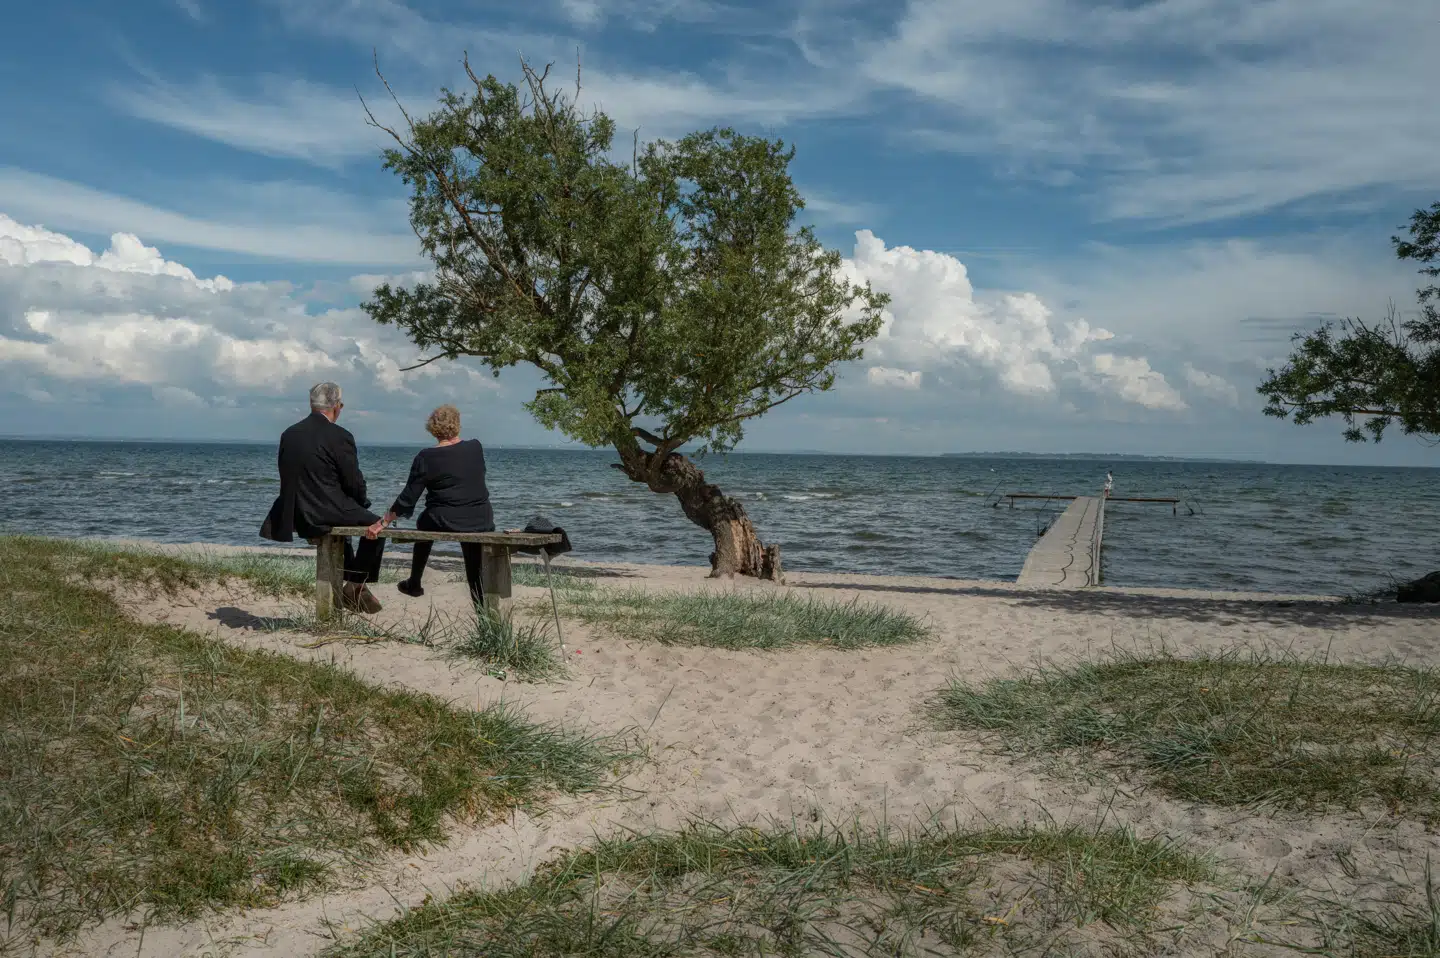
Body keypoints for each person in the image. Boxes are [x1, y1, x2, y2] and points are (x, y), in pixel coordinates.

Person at [260, 382, 385, 614]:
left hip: (295, 512)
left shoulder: (289, 433)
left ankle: (351, 586)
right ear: (337, 406)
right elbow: (354, 482)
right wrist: (361, 502)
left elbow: (286, 475)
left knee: (345, 519)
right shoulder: (340, 436)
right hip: (325, 511)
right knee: (379, 524)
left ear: (311, 404)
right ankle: (355, 585)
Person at [367, 404, 494, 604]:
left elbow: (408, 498)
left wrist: (383, 522)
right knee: (473, 560)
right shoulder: (475, 447)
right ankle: (481, 608)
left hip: (445, 518)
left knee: (424, 520)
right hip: (481, 518)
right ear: (457, 424)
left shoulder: (426, 457)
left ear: (433, 429)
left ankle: (415, 581)